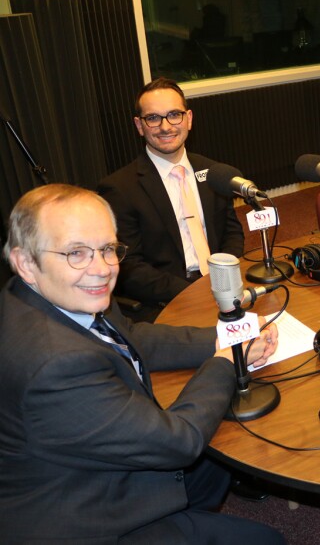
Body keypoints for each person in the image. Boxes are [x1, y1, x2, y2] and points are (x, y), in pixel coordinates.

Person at [0, 184, 284, 544]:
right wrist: (226, 360)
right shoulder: (55, 364)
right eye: (76, 253)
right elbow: (178, 442)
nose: (101, 269)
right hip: (85, 517)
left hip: (85, 462)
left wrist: (223, 336)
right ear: (25, 262)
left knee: (227, 445)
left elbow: (132, 335)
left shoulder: (48, 295)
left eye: (107, 249)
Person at [98, 78, 244, 323]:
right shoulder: (119, 188)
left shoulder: (213, 172)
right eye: (153, 118)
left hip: (222, 285)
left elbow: (232, 233)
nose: (166, 127)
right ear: (139, 125)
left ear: (188, 119)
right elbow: (130, 267)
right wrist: (193, 293)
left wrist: (223, 279)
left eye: (174, 115)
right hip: (166, 300)